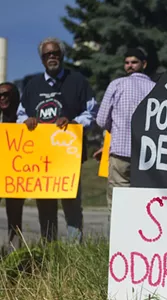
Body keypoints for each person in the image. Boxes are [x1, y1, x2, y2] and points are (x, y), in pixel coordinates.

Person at [16, 37, 98, 243]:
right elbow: (20, 115)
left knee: (71, 205)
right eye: (47, 55)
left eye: (55, 53)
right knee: (45, 206)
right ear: (41, 59)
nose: (52, 57)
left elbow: (91, 112)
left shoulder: (78, 80)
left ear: (62, 55)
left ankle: (74, 255)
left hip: (68, 157)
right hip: (40, 159)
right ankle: (49, 251)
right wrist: (27, 121)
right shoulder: (32, 85)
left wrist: (72, 122)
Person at [96, 48, 155, 220]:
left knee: (117, 202)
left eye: (134, 62)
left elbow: (100, 120)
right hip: (146, 154)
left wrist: (114, 128)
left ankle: (117, 242)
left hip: (120, 152)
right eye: (127, 62)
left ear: (144, 64)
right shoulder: (156, 88)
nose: (129, 66)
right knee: (141, 201)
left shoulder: (117, 84)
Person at [0, 82, 25, 250]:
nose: (2, 98)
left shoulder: (24, 120)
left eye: (6, 94)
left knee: (15, 219)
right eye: (0, 95)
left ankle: (15, 256)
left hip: (15, 177)